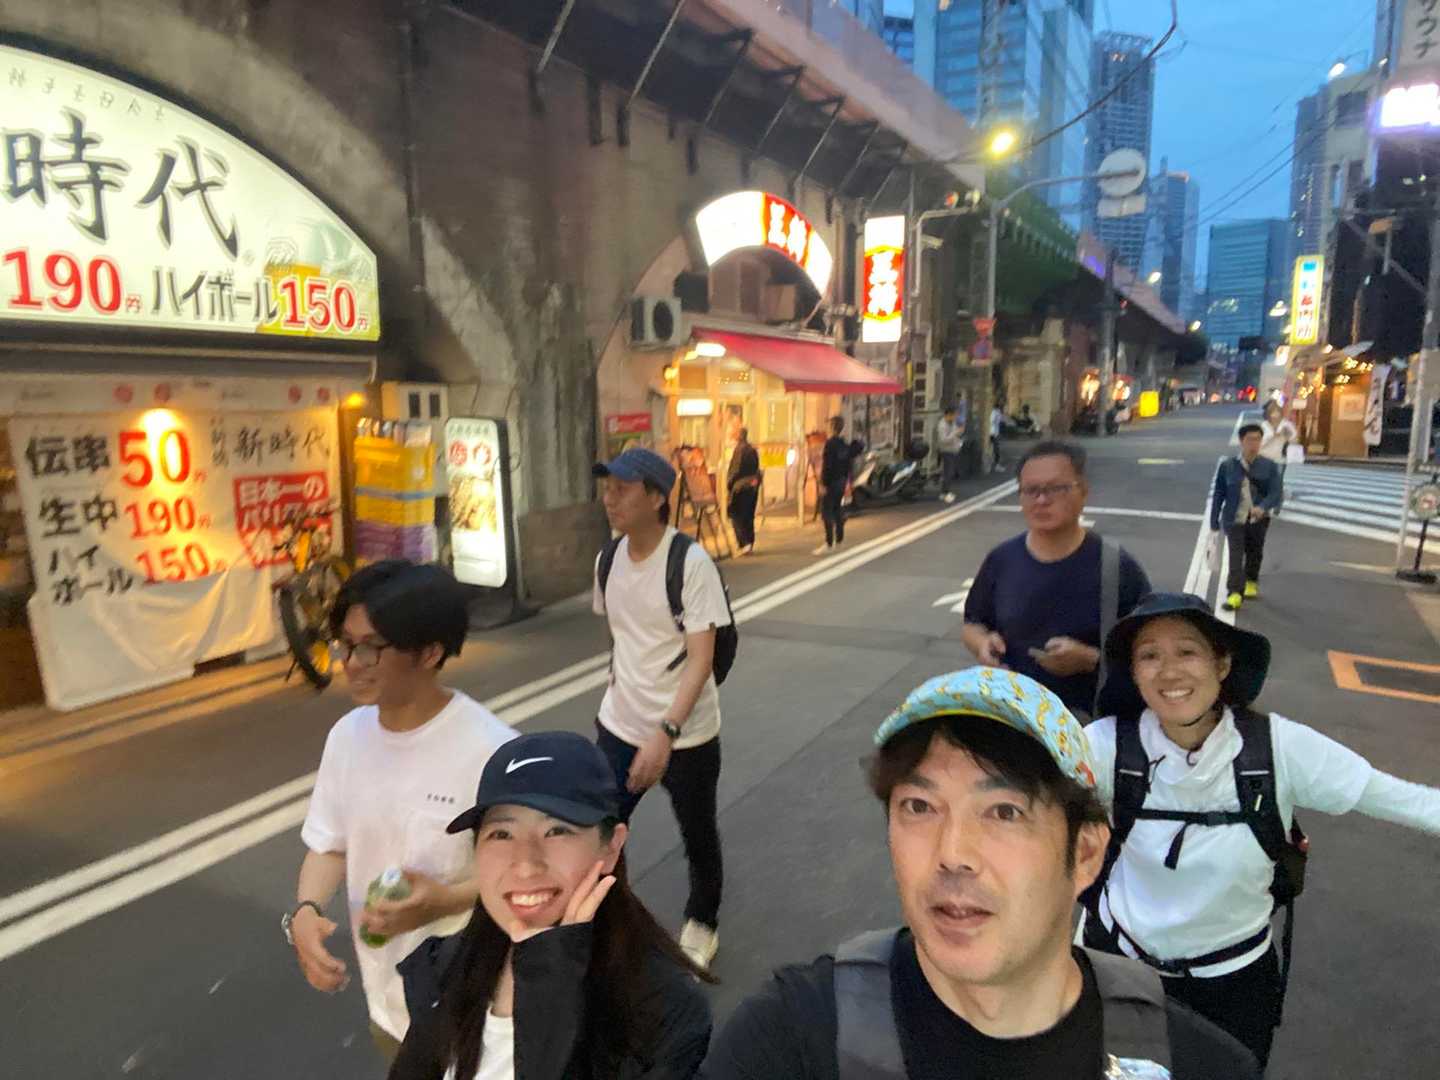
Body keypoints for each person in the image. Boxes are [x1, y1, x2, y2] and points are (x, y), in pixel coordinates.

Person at [699, 667, 1259, 1079]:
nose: (953, 853)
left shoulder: (1200, 1065)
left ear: (1086, 854)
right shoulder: (793, 1039)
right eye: (919, 806)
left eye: (1005, 812)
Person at [1083, 593, 1440, 1069]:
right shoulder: (1105, 745)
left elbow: (1398, 797)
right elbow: (1024, 794)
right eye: (1149, 656)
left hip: (1233, 985)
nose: (1168, 671)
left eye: (1187, 651)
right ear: (1133, 673)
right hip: (1120, 971)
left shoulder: (1277, 749)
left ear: (1222, 664)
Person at [287, 561, 518, 1064]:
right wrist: (305, 912)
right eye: (346, 644)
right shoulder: (347, 737)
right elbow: (329, 845)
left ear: (430, 652)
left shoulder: (492, 752)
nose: (351, 662)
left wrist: (445, 901)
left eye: (371, 647)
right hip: (388, 1003)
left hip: (473, 1009)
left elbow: (526, 876)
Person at [388, 730, 713, 1079]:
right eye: (501, 834)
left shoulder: (663, 1011)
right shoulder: (448, 967)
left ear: (611, 847)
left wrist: (549, 976)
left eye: (558, 831)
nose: (526, 865)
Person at [592, 446, 732, 970]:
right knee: (600, 831)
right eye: (607, 489)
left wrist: (665, 732)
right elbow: (623, 637)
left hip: (686, 733)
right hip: (618, 725)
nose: (610, 499)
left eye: (622, 490)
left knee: (697, 832)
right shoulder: (607, 559)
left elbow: (702, 658)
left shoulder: (689, 563)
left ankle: (703, 923)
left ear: (656, 498)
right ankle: (612, 921)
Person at [963, 441, 1151, 719]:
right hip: (1013, 717)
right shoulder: (1001, 559)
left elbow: (1152, 655)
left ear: (1083, 491)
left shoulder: (1117, 568)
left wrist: (1090, 660)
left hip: (1089, 725)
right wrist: (982, 644)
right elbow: (973, 622)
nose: (1041, 500)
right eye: (1031, 490)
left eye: (1056, 489)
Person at [1211, 423, 1281, 611]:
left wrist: (1263, 507)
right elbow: (1219, 493)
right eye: (1250, 439)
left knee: (1254, 551)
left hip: (1259, 520)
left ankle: (1251, 580)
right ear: (1241, 441)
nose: (1254, 444)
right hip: (1234, 518)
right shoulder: (1228, 466)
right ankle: (1234, 593)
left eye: (1257, 439)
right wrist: (1214, 521)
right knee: (1235, 556)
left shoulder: (1269, 466)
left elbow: (1276, 492)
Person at [815, 416, 856, 555]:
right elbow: (848, 464)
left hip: (831, 482)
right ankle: (839, 540)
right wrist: (847, 480)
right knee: (837, 510)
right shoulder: (843, 444)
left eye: (829, 425)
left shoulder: (830, 444)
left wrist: (823, 483)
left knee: (826, 512)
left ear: (832, 427)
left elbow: (827, 466)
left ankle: (829, 543)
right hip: (841, 481)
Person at [727, 427, 761, 556]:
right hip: (752, 486)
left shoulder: (739, 450)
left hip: (740, 487)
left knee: (737, 515)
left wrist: (729, 484)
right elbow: (757, 468)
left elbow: (735, 470)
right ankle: (749, 542)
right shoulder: (752, 449)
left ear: (739, 436)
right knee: (749, 515)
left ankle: (744, 542)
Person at [1258, 401, 1297, 482]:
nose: (1275, 415)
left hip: (1280, 458)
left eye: (1277, 412)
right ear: (1268, 414)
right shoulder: (1264, 426)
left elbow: (1293, 438)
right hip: (1265, 457)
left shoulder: (1286, 424)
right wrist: (1272, 437)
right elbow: (1260, 443)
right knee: (1265, 480)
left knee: (1278, 480)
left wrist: (1286, 434)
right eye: (1273, 413)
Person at [936, 406, 965, 504]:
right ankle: (944, 493)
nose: (955, 417)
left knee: (950, 472)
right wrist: (955, 433)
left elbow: (955, 434)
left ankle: (945, 492)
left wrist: (959, 432)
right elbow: (943, 440)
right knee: (948, 472)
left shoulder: (952, 423)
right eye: (954, 415)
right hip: (946, 451)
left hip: (953, 450)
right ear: (949, 414)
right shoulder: (942, 425)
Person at [989, 403, 1005, 472]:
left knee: (994, 449)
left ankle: (995, 465)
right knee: (996, 450)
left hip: (993, 433)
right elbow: (992, 421)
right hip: (993, 433)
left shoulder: (995, 412)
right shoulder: (996, 412)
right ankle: (996, 466)